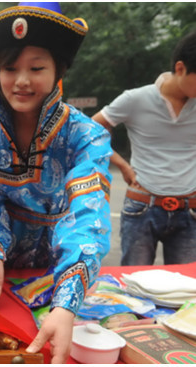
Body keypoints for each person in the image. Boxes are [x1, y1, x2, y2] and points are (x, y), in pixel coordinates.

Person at [0, 3, 112, 363]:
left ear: (59, 69)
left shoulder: (86, 135)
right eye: (10, 68)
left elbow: (87, 215)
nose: (21, 80)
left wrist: (67, 299)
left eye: (37, 68)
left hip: (62, 264)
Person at [92, 30, 196, 266]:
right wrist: (121, 165)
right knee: (134, 288)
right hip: (142, 207)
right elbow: (91, 129)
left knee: (186, 291)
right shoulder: (135, 99)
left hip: (190, 211)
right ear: (180, 68)